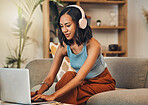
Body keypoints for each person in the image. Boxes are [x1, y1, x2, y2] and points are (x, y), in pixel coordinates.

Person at [31, 5, 116, 105]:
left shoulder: (93, 45)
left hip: (102, 82)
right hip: (84, 83)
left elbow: (79, 78)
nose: (64, 30)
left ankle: (57, 101)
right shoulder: (63, 47)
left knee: (71, 93)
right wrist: (38, 93)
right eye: (62, 26)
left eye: (68, 25)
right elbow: (50, 77)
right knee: (68, 76)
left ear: (80, 24)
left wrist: (53, 95)